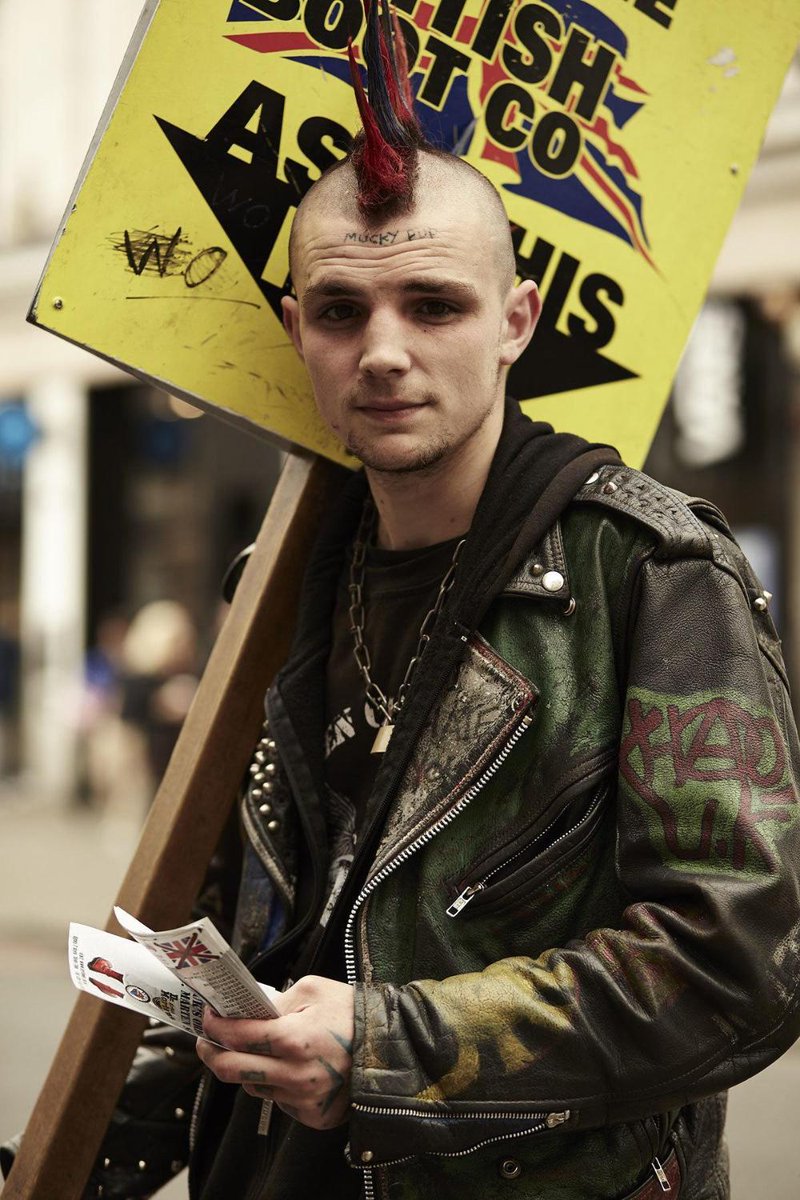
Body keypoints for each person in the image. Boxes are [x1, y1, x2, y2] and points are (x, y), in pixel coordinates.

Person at [4, 7, 800, 1199]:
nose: (383, 351)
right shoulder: (275, 593)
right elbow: (231, 954)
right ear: (296, 332)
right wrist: (65, 1159)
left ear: (514, 323)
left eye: (434, 305)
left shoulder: (650, 575)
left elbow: (735, 965)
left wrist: (385, 1048)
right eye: (341, 311)